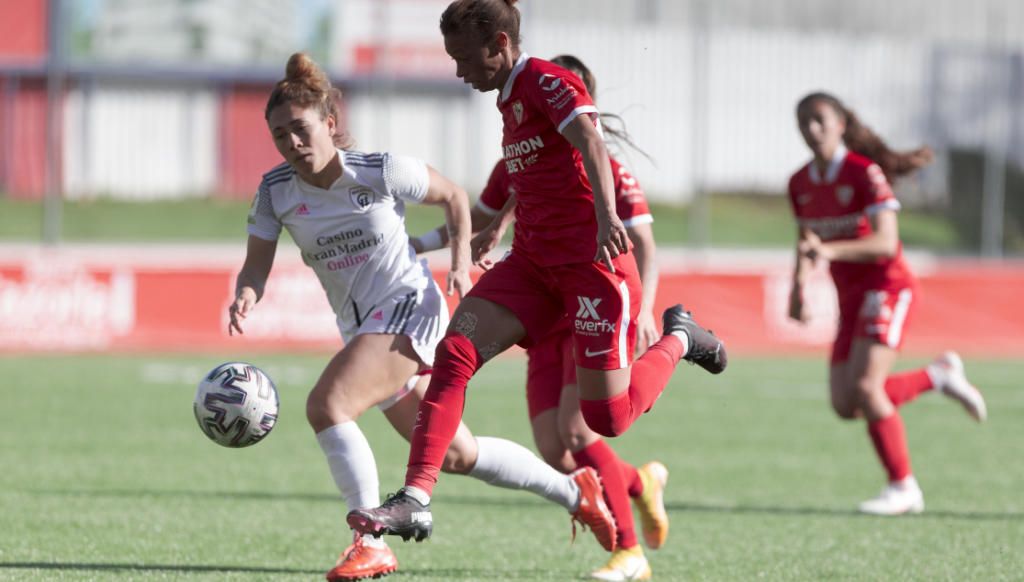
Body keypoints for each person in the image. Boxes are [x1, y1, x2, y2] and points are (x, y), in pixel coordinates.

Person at [348, 0, 727, 552]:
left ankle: (680, 338)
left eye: (465, 58)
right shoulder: (507, 102)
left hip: (592, 268)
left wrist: (606, 217)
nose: (459, 71)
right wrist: (498, 225)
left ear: (501, 44)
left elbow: (591, 144)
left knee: (608, 418)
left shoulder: (549, 81)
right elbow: (533, 175)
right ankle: (415, 498)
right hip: (532, 267)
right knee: (455, 353)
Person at [230, 52, 616, 582]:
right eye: (279, 136)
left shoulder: (379, 169)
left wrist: (459, 264)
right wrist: (246, 293)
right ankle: (576, 490)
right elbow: (256, 265)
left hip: (411, 308)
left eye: (300, 129)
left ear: (330, 123)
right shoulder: (275, 192)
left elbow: (454, 196)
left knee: (328, 404)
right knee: (458, 453)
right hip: (365, 328)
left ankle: (368, 544)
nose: (291, 144)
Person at [411, 53, 667, 581]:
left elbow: (641, 240)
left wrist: (643, 310)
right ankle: (640, 483)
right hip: (541, 311)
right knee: (556, 451)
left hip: (585, 308)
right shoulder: (515, 160)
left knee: (582, 433)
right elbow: (481, 217)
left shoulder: (608, 169)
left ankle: (629, 551)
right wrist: (422, 243)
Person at [787, 91, 987, 516]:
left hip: (888, 286)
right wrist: (798, 288)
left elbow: (886, 242)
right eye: (803, 121)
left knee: (866, 388)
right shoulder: (799, 183)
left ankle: (904, 487)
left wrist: (830, 252)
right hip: (851, 297)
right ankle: (937, 376)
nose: (812, 129)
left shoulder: (864, 173)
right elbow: (806, 243)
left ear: (841, 124)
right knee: (845, 404)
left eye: (820, 119)